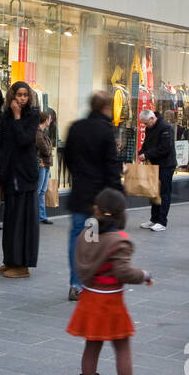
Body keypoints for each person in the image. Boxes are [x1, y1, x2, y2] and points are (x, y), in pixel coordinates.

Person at [66, 188, 152, 375]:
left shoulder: (88, 233)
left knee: (92, 344)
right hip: (109, 302)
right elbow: (123, 272)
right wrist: (143, 275)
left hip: (89, 297)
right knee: (122, 345)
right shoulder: (118, 241)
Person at [62, 91, 123, 300]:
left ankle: (76, 283)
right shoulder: (106, 131)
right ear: (106, 108)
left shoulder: (76, 128)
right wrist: (117, 193)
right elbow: (111, 166)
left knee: (77, 239)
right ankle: (96, 282)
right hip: (101, 197)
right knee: (100, 239)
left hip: (80, 192)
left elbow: (68, 157)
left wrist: (80, 175)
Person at [0, 81, 41, 280]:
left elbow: (24, 140)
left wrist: (18, 116)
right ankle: (9, 260)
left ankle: (22, 265)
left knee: (22, 220)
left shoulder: (32, 115)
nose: (22, 99)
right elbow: (3, 143)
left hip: (25, 175)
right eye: (19, 95)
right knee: (10, 219)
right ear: (12, 95)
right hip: (10, 173)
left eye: (25, 95)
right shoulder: (6, 116)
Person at [138, 108, 176, 231]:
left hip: (166, 165)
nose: (145, 125)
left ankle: (162, 221)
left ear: (152, 118)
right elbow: (146, 143)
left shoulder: (166, 127)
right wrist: (141, 152)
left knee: (164, 193)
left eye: (146, 123)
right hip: (154, 165)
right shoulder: (149, 128)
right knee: (154, 192)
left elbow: (165, 148)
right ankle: (153, 219)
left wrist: (147, 155)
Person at [36, 112, 54, 225]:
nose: (51, 121)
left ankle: (41, 216)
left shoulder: (42, 132)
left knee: (42, 191)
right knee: (38, 191)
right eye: (50, 119)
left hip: (46, 164)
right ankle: (36, 215)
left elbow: (47, 148)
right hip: (41, 164)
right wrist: (48, 150)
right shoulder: (38, 133)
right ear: (46, 120)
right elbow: (45, 149)